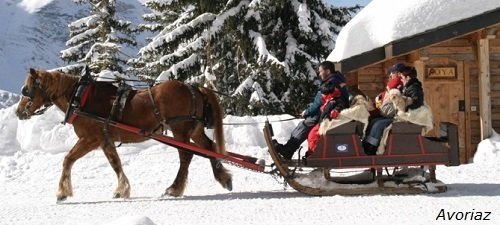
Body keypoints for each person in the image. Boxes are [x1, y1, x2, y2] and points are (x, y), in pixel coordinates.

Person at [273, 61, 349, 160]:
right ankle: (289, 149)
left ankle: (289, 150)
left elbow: (318, 103)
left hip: (328, 113)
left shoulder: (331, 83)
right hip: (328, 110)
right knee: (304, 125)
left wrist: (306, 112)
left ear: (328, 71)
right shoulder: (337, 79)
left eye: (321, 71)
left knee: (304, 125)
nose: (319, 73)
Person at [363, 65, 423, 155]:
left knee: (378, 124)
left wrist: (404, 107)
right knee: (375, 121)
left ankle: (372, 148)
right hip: (398, 114)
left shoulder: (414, 88)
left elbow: (416, 104)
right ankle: (368, 144)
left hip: (405, 117)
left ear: (407, 77)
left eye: (402, 77)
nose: (401, 79)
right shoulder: (408, 87)